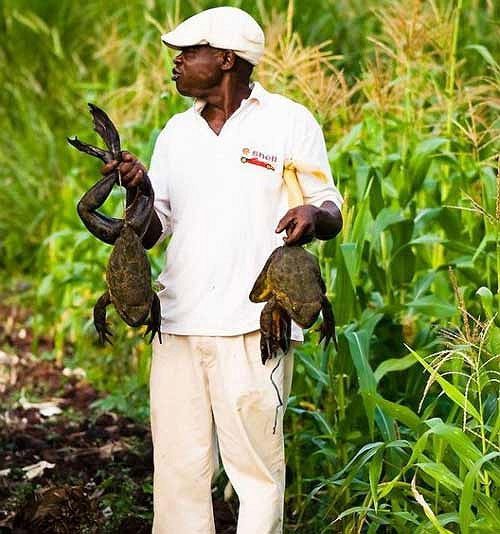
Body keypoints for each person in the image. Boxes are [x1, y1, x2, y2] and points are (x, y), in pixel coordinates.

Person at [101, 6, 343, 533]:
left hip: (254, 325)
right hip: (179, 322)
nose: (178, 62)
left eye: (190, 53)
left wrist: (312, 214)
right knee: (179, 471)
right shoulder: (175, 133)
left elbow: (331, 208)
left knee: (256, 471)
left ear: (227, 59)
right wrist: (137, 189)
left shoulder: (289, 121)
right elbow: (153, 230)